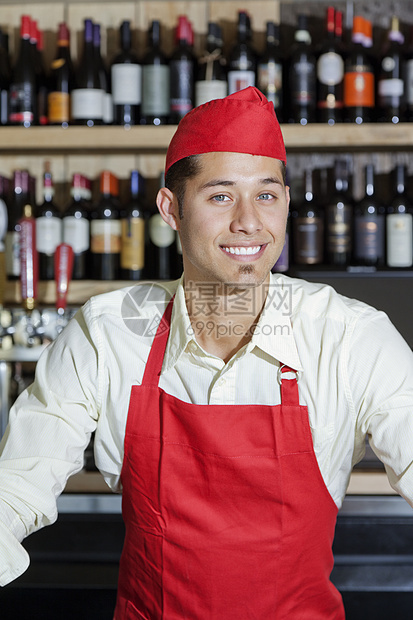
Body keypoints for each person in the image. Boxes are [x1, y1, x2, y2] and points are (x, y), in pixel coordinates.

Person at [1, 87, 413, 618]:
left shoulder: (349, 336)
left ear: (286, 202)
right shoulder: (107, 334)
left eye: (266, 195)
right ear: (171, 209)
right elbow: (19, 481)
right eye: (220, 196)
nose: (248, 221)